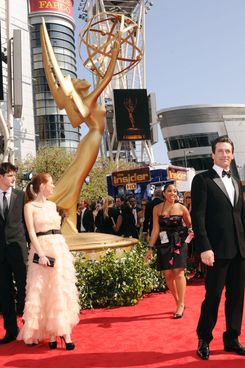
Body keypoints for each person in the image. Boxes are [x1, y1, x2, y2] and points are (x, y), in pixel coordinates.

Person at [191, 135, 245, 360]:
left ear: (232, 155)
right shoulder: (202, 180)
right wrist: (204, 247)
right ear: (213, 154)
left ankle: (232, 338)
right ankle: (204, 339)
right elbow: (198, 216)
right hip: (215, 250)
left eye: (228, 151)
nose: (225, 154)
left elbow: (239, 216)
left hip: (239, 251)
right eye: (220, 151)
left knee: (237, 297)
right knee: (212, 296)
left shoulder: (235, 180)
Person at [17, 173, 80, 349]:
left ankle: (64, 334)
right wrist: (42, 254)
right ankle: (52, 334)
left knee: (60, 289)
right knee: (43, 290)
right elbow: (31, 233)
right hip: (41, 249)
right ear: (42, 185)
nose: (53, 187)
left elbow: (57, 230)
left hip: (59, 247)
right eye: (51, 183)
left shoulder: (53, 205)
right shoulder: (29, 207)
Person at [145, 183, 192, 319]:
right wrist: (150, 248)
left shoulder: (182, 208)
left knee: (178, 271)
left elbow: (190, 225)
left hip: (179, 242)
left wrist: (189, 236)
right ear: (164, 193)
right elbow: (155, 229)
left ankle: (181, 304)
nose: (173, 193)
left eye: (175, 191)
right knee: (167, 274)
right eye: (170, 191)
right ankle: (178, 301)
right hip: (163, 242)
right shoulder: (157, 208)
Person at [0, 162, 28, 344]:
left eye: (14, 175)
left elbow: (28, 224)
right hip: (0, 254)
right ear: (1, 177)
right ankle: (11, 330)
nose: (13, 178)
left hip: (19, 251)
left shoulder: (22, 196)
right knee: (4, 292)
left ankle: (28, 330)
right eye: (10, 175)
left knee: (25, 291)